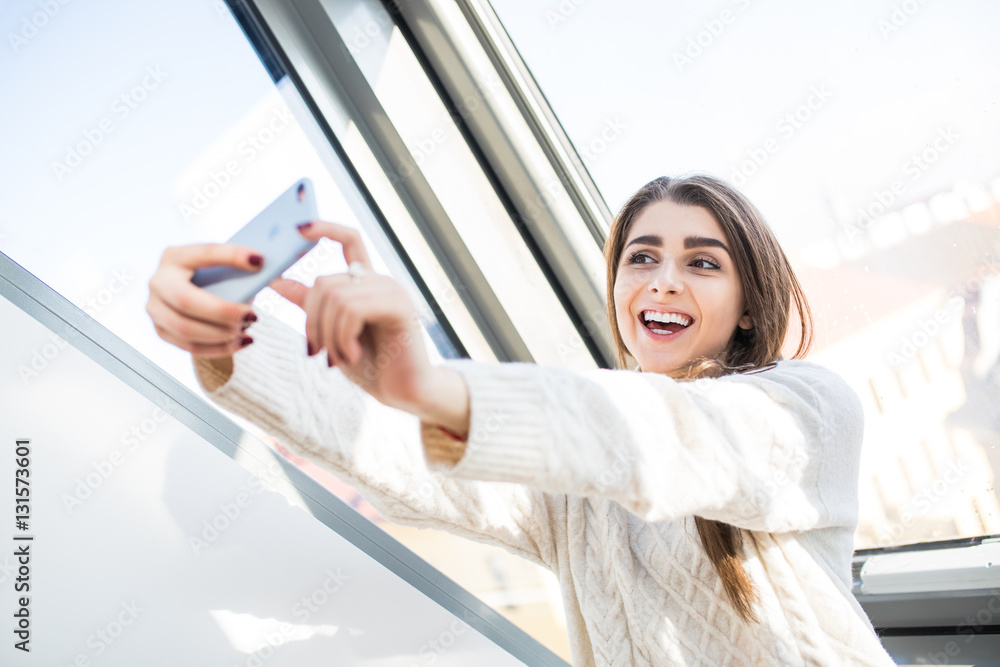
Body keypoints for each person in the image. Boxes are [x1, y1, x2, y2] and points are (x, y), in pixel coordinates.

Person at [147, 175, 895, 666]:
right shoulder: (574, 492)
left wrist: (432, 380)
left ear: (750, 302)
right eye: (640, 258)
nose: (662, 279)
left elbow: (666, 436)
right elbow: (404, 459)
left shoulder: (808, 408)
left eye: (702, 263)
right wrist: (228, 343)